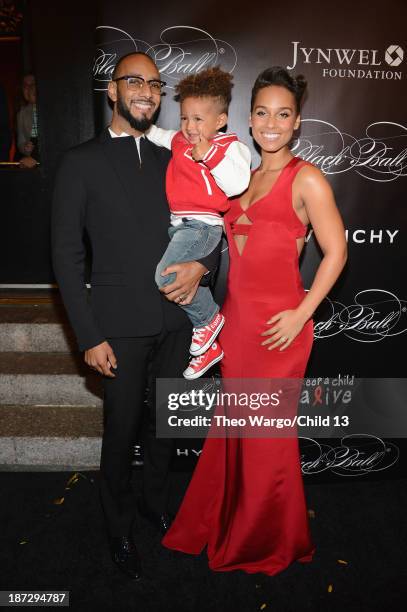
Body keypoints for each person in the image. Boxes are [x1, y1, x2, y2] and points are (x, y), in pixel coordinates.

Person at [162, 67, 348, 575]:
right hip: (236, 324)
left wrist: (301, 314)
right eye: (262, 112)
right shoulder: (237, 176)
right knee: (234, 429)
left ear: (297, 123)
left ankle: (264, 540)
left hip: (281, 328)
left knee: (266, 440)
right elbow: (217, 241)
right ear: (248, 119)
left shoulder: (305, 178)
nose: (271, 123)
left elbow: (336, 252)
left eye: (282, 114)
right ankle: (221, 522)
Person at [51, 52, 221, 581]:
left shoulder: (179, 155)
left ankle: (155, 504)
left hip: (177, 318)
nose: (146, 90)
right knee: (121, 432)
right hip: (117, 325)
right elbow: (65, 256)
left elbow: (210, 223)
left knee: (166, 425)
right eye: (134, 81)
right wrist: (89, 334)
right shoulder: (80, 161)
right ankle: (118, 525)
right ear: (112, 90)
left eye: (153, 82)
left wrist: (204, 266)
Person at [147, 67, 251, 380]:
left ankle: (207, 321)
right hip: (181, 227)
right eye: (184, 118)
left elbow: (236, 184)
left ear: (220, 120)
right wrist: (138, 125)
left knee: (164, 277)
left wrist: (209, 155)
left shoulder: (230, 146)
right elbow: (155, 134)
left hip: (203, 227)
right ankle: (208, 345)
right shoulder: (179, 140)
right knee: (172, 281)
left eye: (198, 119)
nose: (190, 127)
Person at [16, 74, 39, 169]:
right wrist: (25, 147)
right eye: (26, 86)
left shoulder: (51, 107)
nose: (29, 89)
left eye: (32, 84)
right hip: (31, 158)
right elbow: (20, 142)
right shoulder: (22, 113)